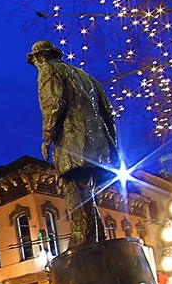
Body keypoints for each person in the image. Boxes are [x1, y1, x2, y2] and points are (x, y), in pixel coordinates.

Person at [29, 41, 120, 248]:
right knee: (87, 193)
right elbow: (108, 114)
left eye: (35, 60)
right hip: (99, 147)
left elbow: (53, 103)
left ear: (41, 57)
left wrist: (47, 137)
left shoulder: (49, 70)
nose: (36, 64)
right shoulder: (88, 78)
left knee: (74, 191)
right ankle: (96, 239)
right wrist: (111, 148)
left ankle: (81, 240)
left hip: (72, 143)